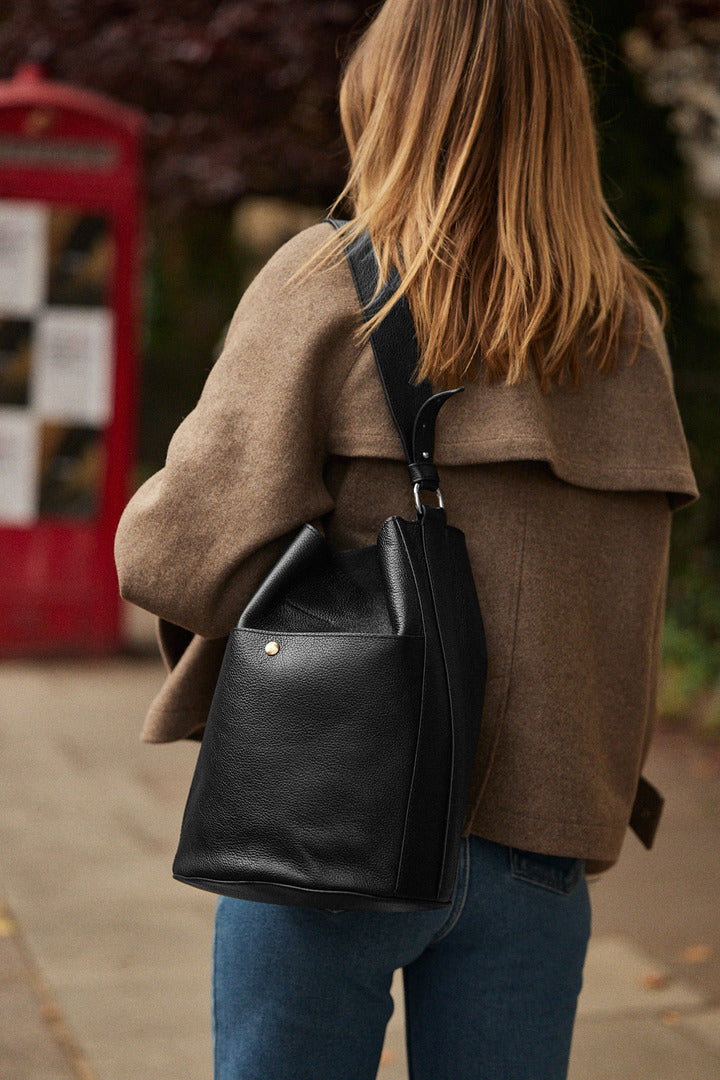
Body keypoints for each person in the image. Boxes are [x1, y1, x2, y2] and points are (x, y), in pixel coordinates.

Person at [113, 1, 699, 1077]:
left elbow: (175, 561)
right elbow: (626, 610)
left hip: (332, 822)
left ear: (390, 98)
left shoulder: (328, 282)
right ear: (561, 111)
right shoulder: (625, 324)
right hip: (540, 850)